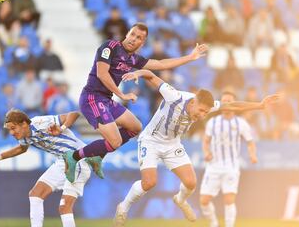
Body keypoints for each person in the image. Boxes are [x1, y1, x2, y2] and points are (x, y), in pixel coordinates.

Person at [113, 69, 279, 227]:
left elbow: (232, 105)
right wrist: (137, 73)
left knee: (191, 182)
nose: (201, 116)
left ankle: (180, 199)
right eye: (200, 111)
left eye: (206, 113)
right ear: (193, 102)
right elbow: (150, 75)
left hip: (172, 144)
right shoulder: (175, 96)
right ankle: (123, 207)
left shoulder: (206, 105)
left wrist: (259, 105)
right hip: (151, 140)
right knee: (149, 182)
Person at [63, 22, 208, 183]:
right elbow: (102, 74)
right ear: (127, 34)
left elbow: (161, 64)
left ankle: (97, 156)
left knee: (135, 127)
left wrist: (190, 57)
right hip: (92, 98)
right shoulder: (109, 47)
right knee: (115, 141)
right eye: (132, 34)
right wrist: (122, 95)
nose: (134, 39)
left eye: (139, 37)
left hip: (106, 100)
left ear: (142, 43)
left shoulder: (133, 59)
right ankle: (73, 156)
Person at [0, 109, 102, 227]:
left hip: (78, 159)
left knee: (64, 207)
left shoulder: (40, 123)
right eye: (9, 129)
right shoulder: (24, 136)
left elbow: (74, 114)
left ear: (24, 124)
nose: (11, 133)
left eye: (13, 128)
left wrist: (62, 128)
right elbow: (22, 148)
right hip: (63, 161)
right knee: (35, 194)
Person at [199, 91, 257, 227]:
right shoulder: (212, 122)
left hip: (231, 166)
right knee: (204, 201)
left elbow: (250, 141)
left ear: (235, 104)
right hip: (213, 167)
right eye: (224, 101)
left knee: (229, 200)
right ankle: (213, 223)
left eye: (230, 101)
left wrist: (252, 154)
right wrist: (206, 152)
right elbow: (206, 141)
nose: (227, 104)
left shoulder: (241, 123)